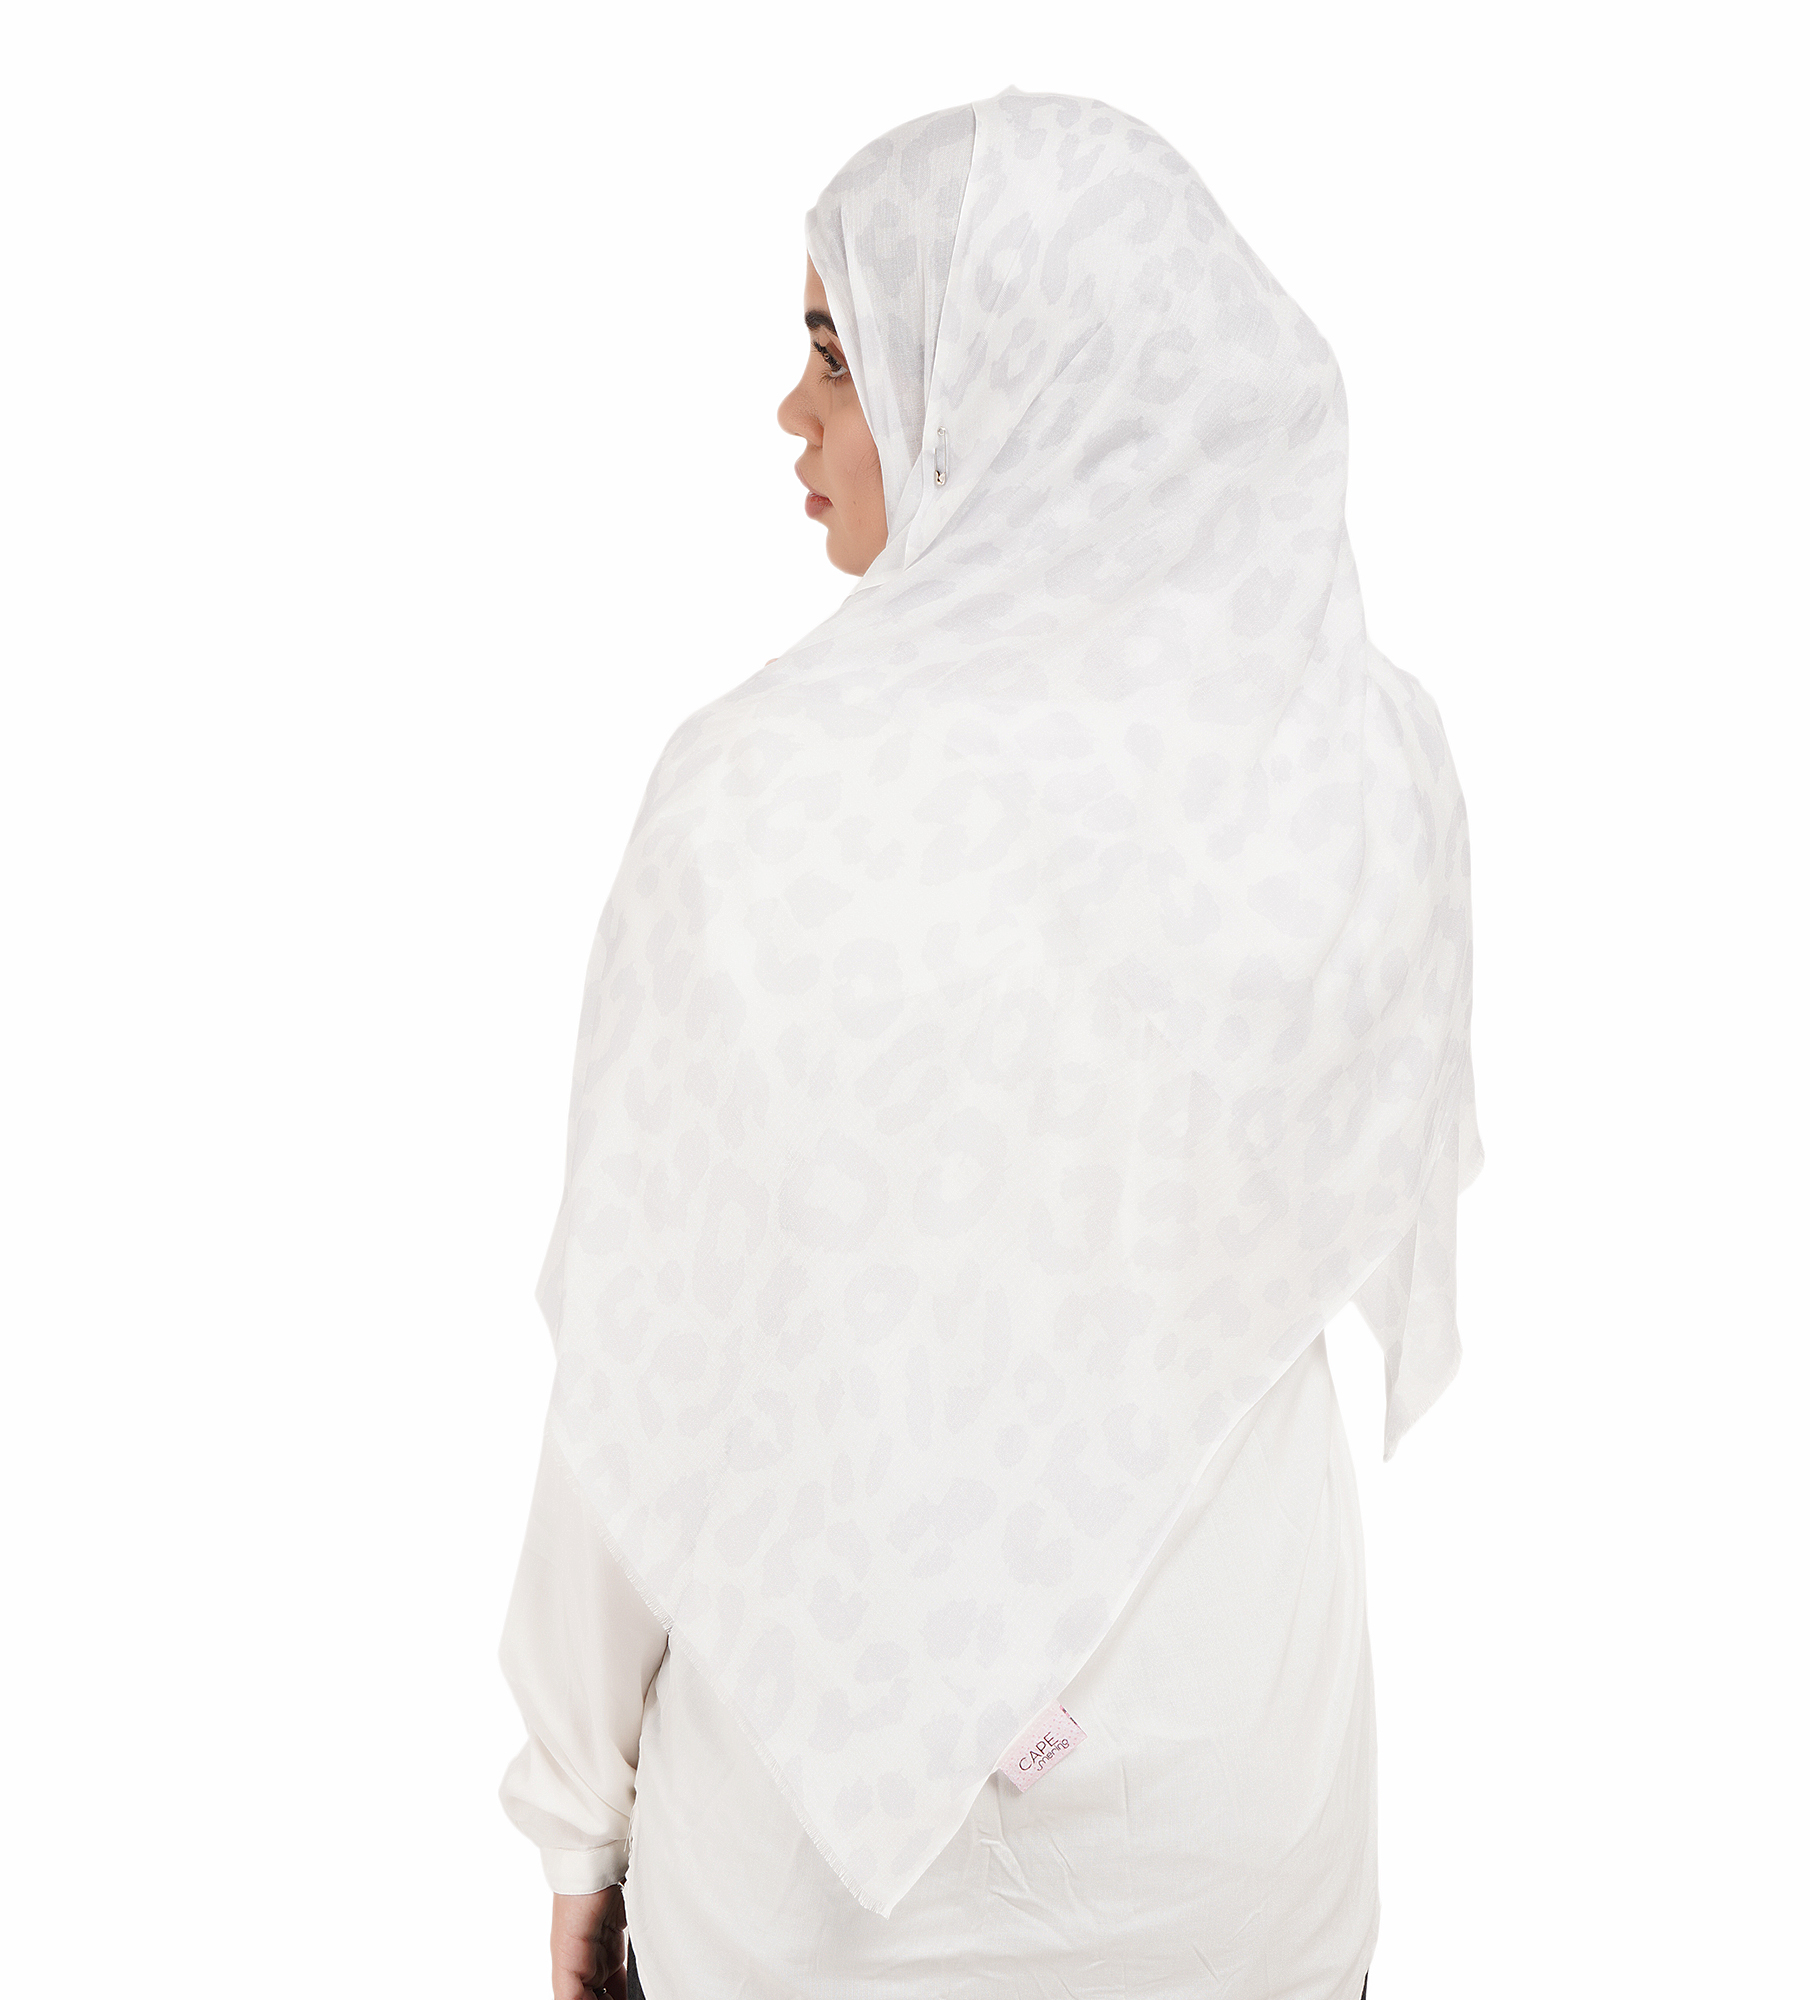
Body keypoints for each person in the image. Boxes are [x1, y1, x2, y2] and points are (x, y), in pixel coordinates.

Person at [500, 87, 1476, 2000]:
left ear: (1004, 378)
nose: (792, 416)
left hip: (822, 1896)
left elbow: (643, 1368)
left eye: (839, 351)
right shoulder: (1356, 762)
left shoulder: (757, 797)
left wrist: (574, 1815)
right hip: (1245, 1847)